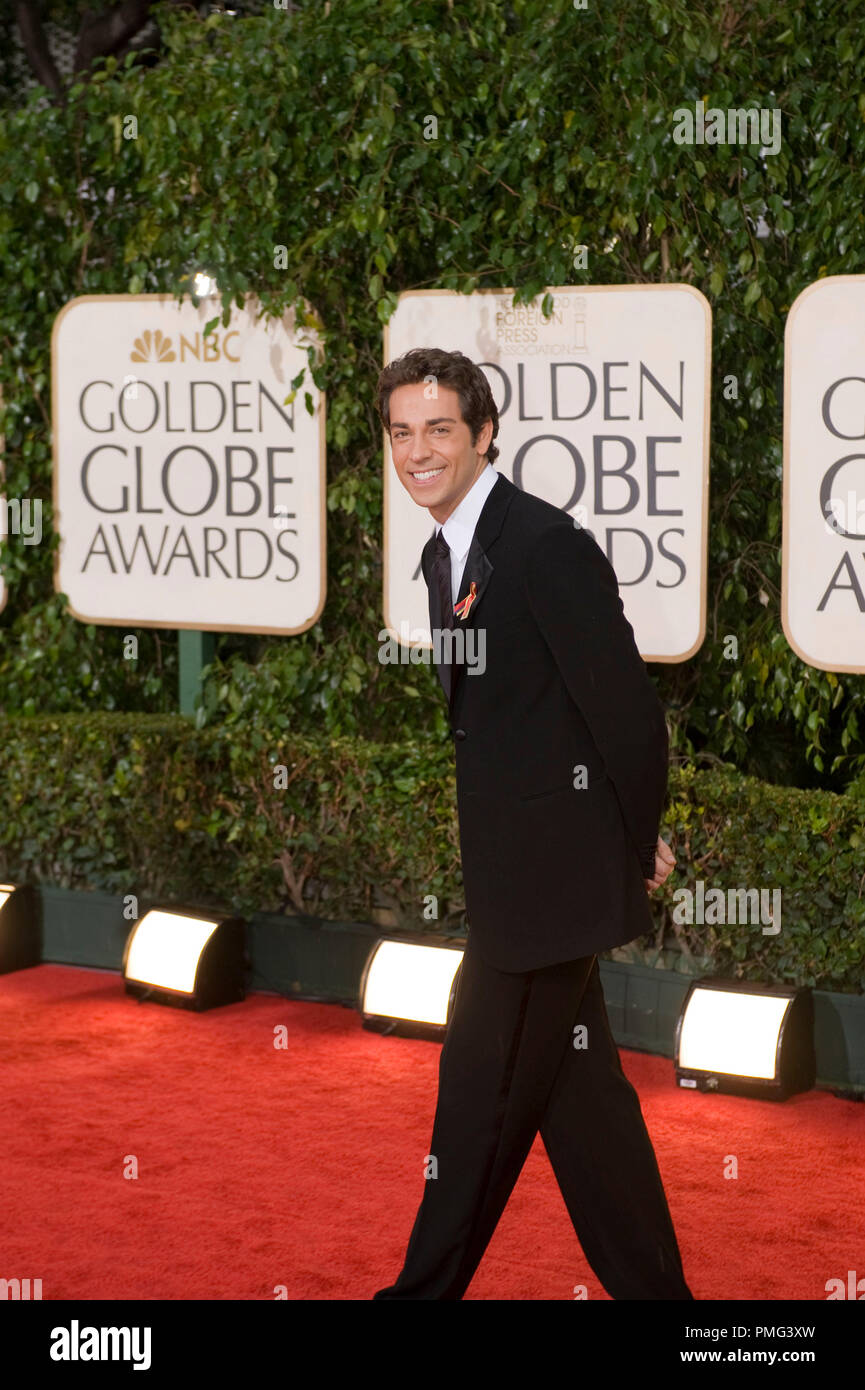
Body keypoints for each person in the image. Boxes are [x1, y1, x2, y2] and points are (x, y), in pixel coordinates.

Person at [372, 346, 693, 1301]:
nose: (417, 452)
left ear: (483, 434)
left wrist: (632, 843)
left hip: (549, 891)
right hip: (516, 879)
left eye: (438, 430)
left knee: (477, 1102)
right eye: (400, 433)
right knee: (587, 1114)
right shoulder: (446, 553)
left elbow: (626, 715)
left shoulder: (544, 546)